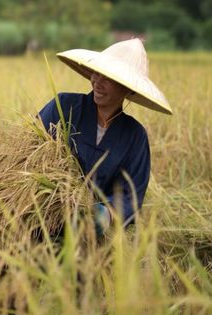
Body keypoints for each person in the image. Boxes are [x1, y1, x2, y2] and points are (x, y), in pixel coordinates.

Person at [38, 37, 171, 235]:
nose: (97, 83)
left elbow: (130, 195)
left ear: (127, 88)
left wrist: (105, 214)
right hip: (41, 219)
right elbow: (29, 150)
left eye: (108, 79)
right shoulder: (63, 106)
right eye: (96, 74)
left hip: (89, 236)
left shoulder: (134, 136)